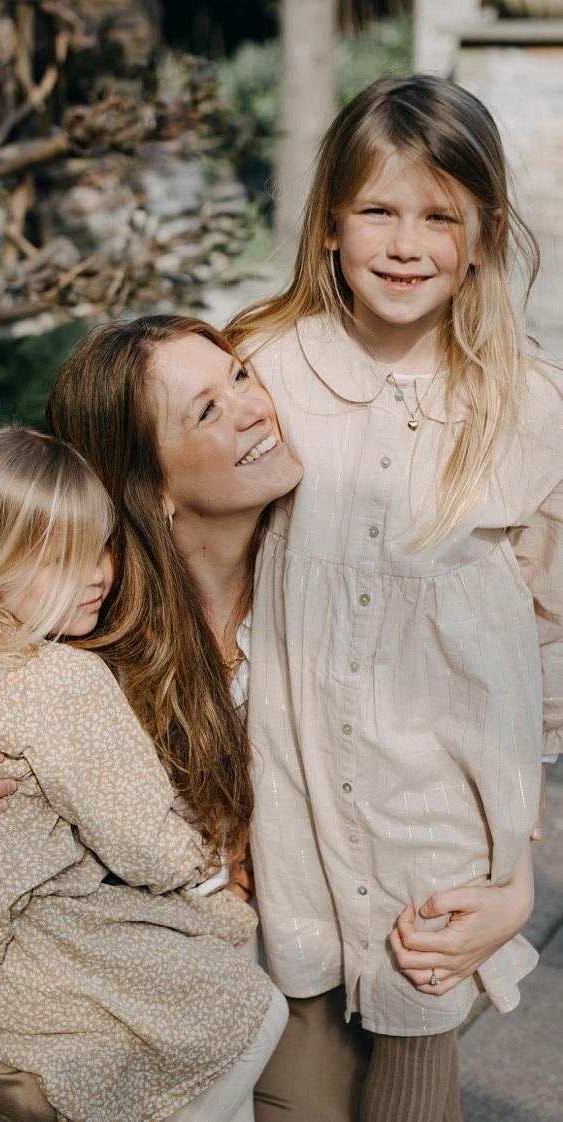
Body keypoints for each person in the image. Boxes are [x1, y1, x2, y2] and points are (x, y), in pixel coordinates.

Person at [223, 74, 554, 1121]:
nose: (406, 244)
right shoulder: (264, 368)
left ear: (484, 233)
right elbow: (197, 564)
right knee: (295, 1078)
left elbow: (550, 625)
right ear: (330, 221)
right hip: (285, 793)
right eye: (378, 209)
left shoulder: (529, 402)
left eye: (438, 216)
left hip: (447, 807)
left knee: (417, 1063)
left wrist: (520, 862)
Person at [0, 425, 287, 1122]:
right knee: (256, 1013)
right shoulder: (58, 680)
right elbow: (139, 835)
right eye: (61, 559)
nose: (97, 575)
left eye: (100, 546)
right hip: (68, 935)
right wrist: (208, 871)